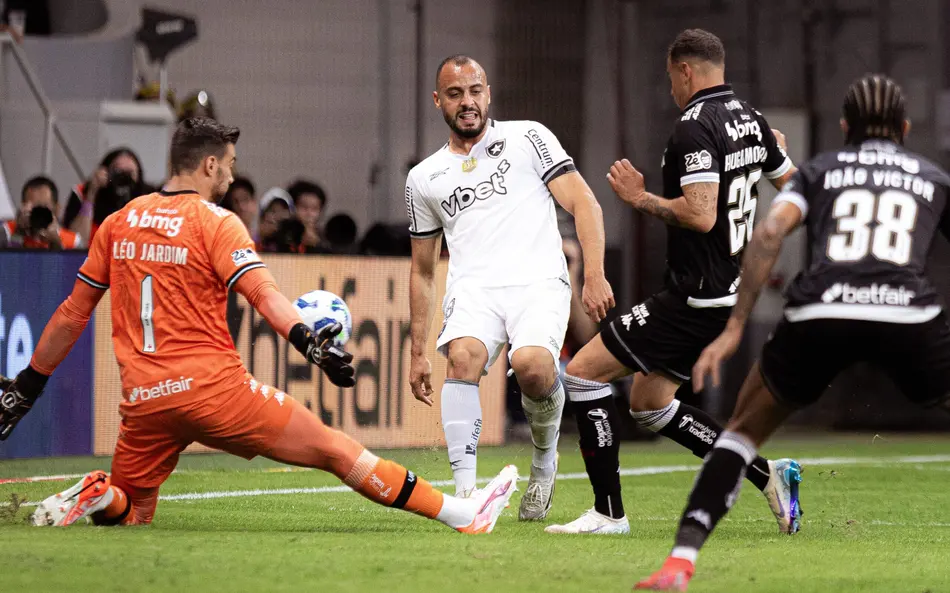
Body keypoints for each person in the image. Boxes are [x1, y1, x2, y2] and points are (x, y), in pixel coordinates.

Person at [0, 117, 518, 533]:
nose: (230, 177)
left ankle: (101, 491)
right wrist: (311, 346)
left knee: (131, 509)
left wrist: (26, 387)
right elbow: (264, 295)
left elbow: (73, 312)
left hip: (144, 400)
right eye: (228, 166)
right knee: (337, 451)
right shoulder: (217, 222)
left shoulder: (118, 222)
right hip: (214, 392)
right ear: (207, 164)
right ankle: (463, 515)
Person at [635, 73, 950, 591]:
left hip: (820, 313)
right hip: (907, 315)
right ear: (906, 127)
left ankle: (679, 564)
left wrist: (736, 326)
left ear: (844, 126)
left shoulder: (820, 172)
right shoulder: (932, 177)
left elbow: (770, 232)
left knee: (739, 433)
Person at [546, 29, 801, 536]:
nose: (670, 90)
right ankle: (767, 473)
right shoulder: (752, 120)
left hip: (696, 298)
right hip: (727, 293)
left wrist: (639, 198)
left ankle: (608, 514)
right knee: (648, 403)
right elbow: (794, 187)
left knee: (583, 373)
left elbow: (702, 215)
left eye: (670, 79)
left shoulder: (695, 126)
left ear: (685, 71)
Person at [406, 55, 614, 520]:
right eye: (456, 94)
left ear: (489, 93)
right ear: (438, 101)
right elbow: (422, 270)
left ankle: (544, 465)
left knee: (535, 369)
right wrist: (417, 348)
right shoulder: (423, 178)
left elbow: (584, 201)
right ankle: (466, 498)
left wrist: (595, 273)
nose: (467, 102)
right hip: (474, 288)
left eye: (475, 90)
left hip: (538, 280)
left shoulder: (528, 137)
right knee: (461, 358)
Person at [62, 148, 149, 245]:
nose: (123, 177)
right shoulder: (82, 193)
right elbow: (77, 241)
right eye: (118, 171)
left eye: (129, 173)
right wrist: (92, 192)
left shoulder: (148, 200)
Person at [2, 175, 82, 249]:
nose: (38, 213)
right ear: (23, 207)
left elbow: (69, 263)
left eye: (44, 207)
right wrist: (18, 234)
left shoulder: (74, 242)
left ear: (57, 209)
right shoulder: (6, 232)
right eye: (34, 208)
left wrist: (56, 243)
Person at [287, 179, 328, 251]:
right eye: (304, 207)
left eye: (314, 208)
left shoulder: (325, 237)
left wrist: (317, 245)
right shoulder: (284, 233)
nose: (309, 213)